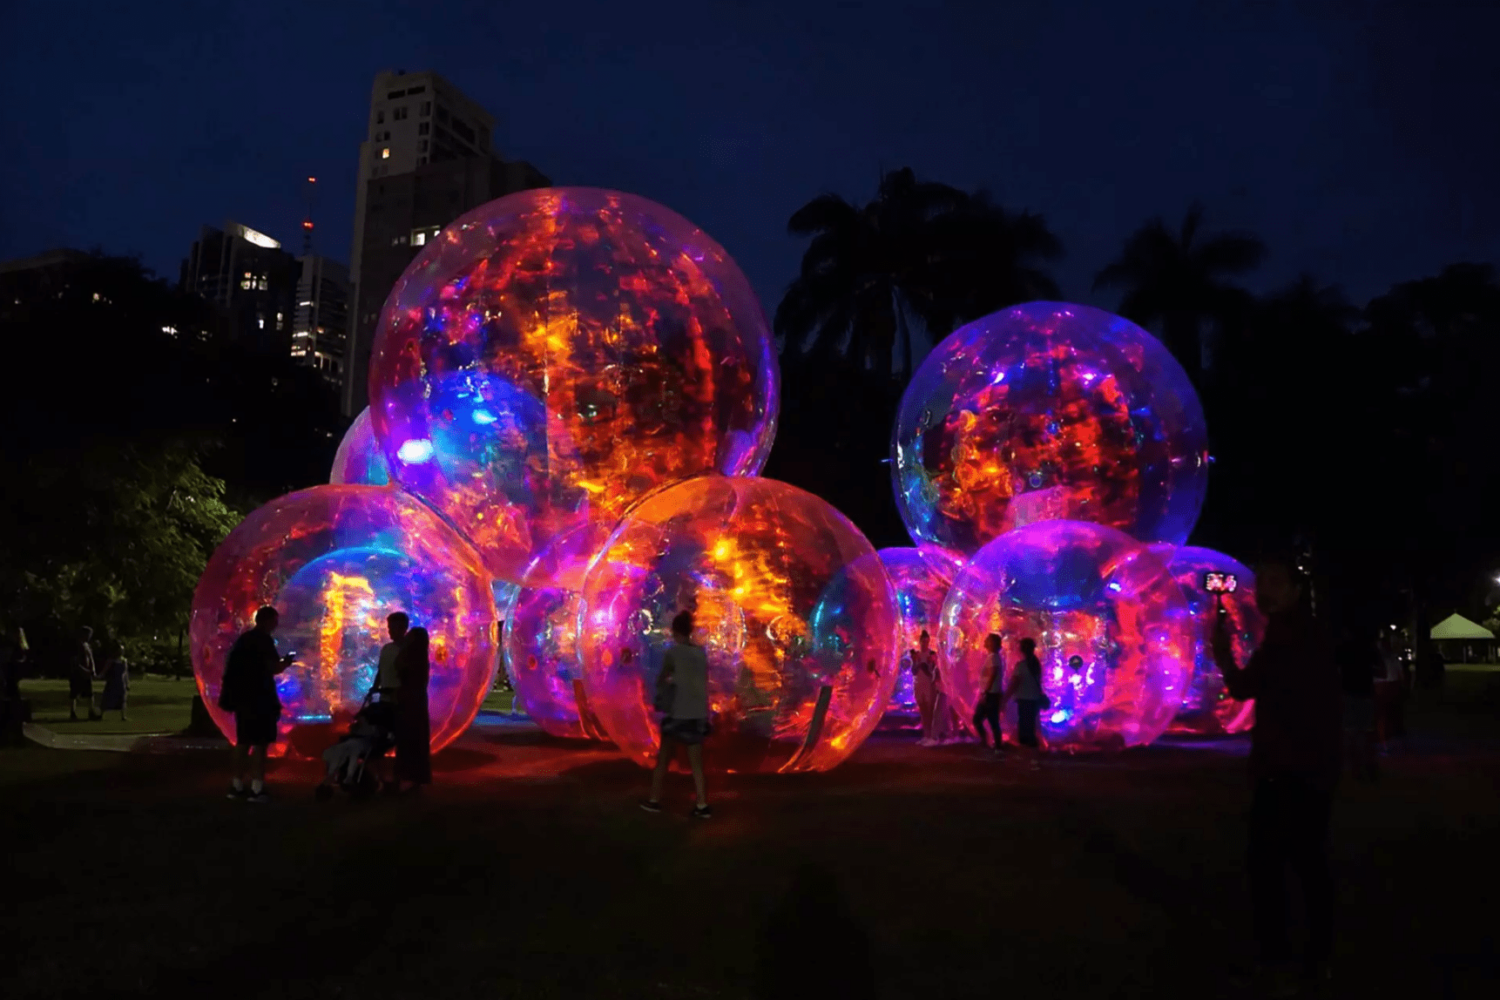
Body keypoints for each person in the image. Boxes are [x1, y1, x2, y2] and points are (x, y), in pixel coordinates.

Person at [1213, 556, 1342, 991]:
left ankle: (1284, 955)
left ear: (1293, 591)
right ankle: (1307, 955)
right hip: (1305, 768)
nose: (1263, 590)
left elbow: (1247, 687)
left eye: (1273, 582)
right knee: (1300, 863)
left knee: (1278, 863)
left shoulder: (1292, 637)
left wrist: (1223, 655)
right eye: (1262, 582)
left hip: (1290, 769)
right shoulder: (1296, 634)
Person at [219, 606, 294, 802]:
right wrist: (285, 663)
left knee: (243, 743)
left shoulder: (244, 640)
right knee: (260, 744)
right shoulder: (263, 640)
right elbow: (272, 667)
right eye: (275, 621)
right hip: (260, 699)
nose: (276, 625)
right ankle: (256, 788)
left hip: (242, 700)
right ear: (267, 621)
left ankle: (235, 786)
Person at [643, 610, 711, 818]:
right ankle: (702, 805)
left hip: (678, 713)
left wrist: (665, 688)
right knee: (696, 763)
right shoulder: (700, 653)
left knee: (663, 758)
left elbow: (663, 678)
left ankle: (654, 800)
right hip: (698, 713)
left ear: (675, 631)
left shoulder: (673, 653)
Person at [1335, 626, 1378, 782]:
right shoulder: (1368, 649)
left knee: (1349, 731)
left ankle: (1353, 766)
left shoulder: (1342, 650)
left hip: (1349, 694)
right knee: (1365, 731)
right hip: (1365, 693)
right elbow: (1380, 669)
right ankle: (1366, 764)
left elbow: (1336, 671)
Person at [392, 627, 432, 791]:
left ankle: (408, 776)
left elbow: (400, 670)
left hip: (410, 702)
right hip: (416, 702)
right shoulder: (421, 658)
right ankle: (415, 777)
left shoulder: (413, 659)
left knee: (409, 738)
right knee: (416, 739)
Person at [1006, 637, 1046, 766]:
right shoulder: (1036, 664)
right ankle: (1031, 756)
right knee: (1030, 727)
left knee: (1025, 729)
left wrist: (1004, 698)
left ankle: (1028, 756)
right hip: (1034, 700)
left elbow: (1014, 684)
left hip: (1024, 700)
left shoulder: (1021, 666)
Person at [971, 634, 1005, 753]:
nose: (984, 641)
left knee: (989, 720)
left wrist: (985, 692)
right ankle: (989, 742)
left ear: (992, 643)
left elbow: (993, 674)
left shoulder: (993, 657)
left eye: (987, 640)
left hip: (991, 694)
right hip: (990, 693)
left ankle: (997, 746)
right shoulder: (992, 657)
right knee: (982, 719)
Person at [1374, 633, 1404, 751]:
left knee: (1383, 715)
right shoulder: (1392, 659)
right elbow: (1401, 676)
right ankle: (1386, 741)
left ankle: (1384, 741)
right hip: (1389, 687)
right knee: (1388, 715)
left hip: (1383, 687)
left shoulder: (1384, 659)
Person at [911, 630, 940, 746]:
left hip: (929, 685)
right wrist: (915, 662)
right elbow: (913, 671)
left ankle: (932, 736)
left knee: (930, 710)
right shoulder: (917, 654)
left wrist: (926, 666)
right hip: (919, 685)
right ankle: (925, 735)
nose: (925, 644)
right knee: (922, 710)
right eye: (923, 641)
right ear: (920, 642)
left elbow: (933, 672)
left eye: (927, 641)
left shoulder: (932, 654)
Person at [70, 626, 99, 721]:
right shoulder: (77, 645)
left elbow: (91, 658)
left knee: (89, 693)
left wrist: (92, 669)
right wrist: (84, 670)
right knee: (74, 693)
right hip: (77, 673)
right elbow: (75, 662)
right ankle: (72, 712)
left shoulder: (87, 645)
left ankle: (91, 711)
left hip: (86, 673)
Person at [98, 641, 130, 722]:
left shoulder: (124, 661)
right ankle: (101, 714)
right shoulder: (111, 661)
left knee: (122, 699)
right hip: (112, 682)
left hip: (120, 682)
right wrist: (99, 676)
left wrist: (127, 683)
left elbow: (125, 673)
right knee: (107, 698)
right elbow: (105, 670)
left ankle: (123, 715)